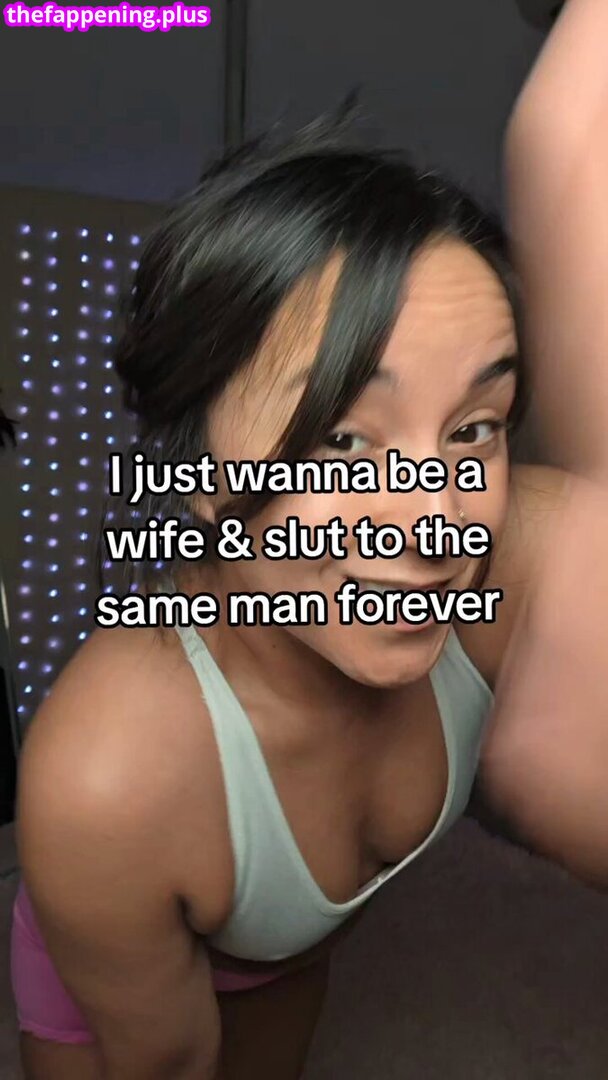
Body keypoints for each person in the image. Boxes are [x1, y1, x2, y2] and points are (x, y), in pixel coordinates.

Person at [10, 6, 608, 1076]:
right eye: (340, 439)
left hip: (289, 946)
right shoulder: (107, 780)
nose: (434, 518)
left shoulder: (526, 550)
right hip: (117, 957)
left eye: (472, 428)